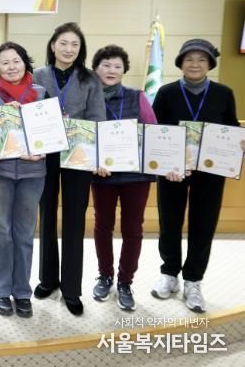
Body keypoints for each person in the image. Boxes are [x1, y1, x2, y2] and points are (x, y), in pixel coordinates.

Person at [151, 39, 243, 313]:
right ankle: (169, 274)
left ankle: (193, 280)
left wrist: (239, 144)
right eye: (189, 59)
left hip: (211, 172)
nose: (195, 64)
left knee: (204, 224)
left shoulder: (223, 93)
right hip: (172, 171)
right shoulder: (166, 92)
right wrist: (163, 164)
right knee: (170, 222)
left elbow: (231, 128)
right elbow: (154, 131)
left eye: (201, 59)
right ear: (181, 63)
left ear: (210, 64)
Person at [32, 22, 106, 316]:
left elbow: (98, 118)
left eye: (75, 44)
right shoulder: (37, 76)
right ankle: (47, 279)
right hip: (45, 154)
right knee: (47, 215)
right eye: (63, 43)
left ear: (81, 49)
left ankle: (72, 289)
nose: (68, 49)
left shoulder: (90, 79)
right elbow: (29, 112)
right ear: (53, 45)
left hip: (79, 155)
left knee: (75, 218)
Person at [89, 45, 157, 311]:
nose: (111, 70)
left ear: (124, 70)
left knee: (133, 229)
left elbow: (153, 132)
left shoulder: (137, 96)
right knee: (102, 225)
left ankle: (125, 281)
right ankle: (105, 276)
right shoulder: (89, 97)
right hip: (102, 173)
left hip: (135, 175)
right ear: (96, 68)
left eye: (117, 66)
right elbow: (84, 136)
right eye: (106, 65)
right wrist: (93, 161)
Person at [0, 42, 47, 319]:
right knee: (1, 232)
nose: (11, 67)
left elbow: (50, 134)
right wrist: (2, 120)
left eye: (16, 61)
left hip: (33, 173)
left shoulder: (41, 94)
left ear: (25, 63)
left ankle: (22, 291)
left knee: (24, 233)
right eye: (5, 62)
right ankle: (0, 290)